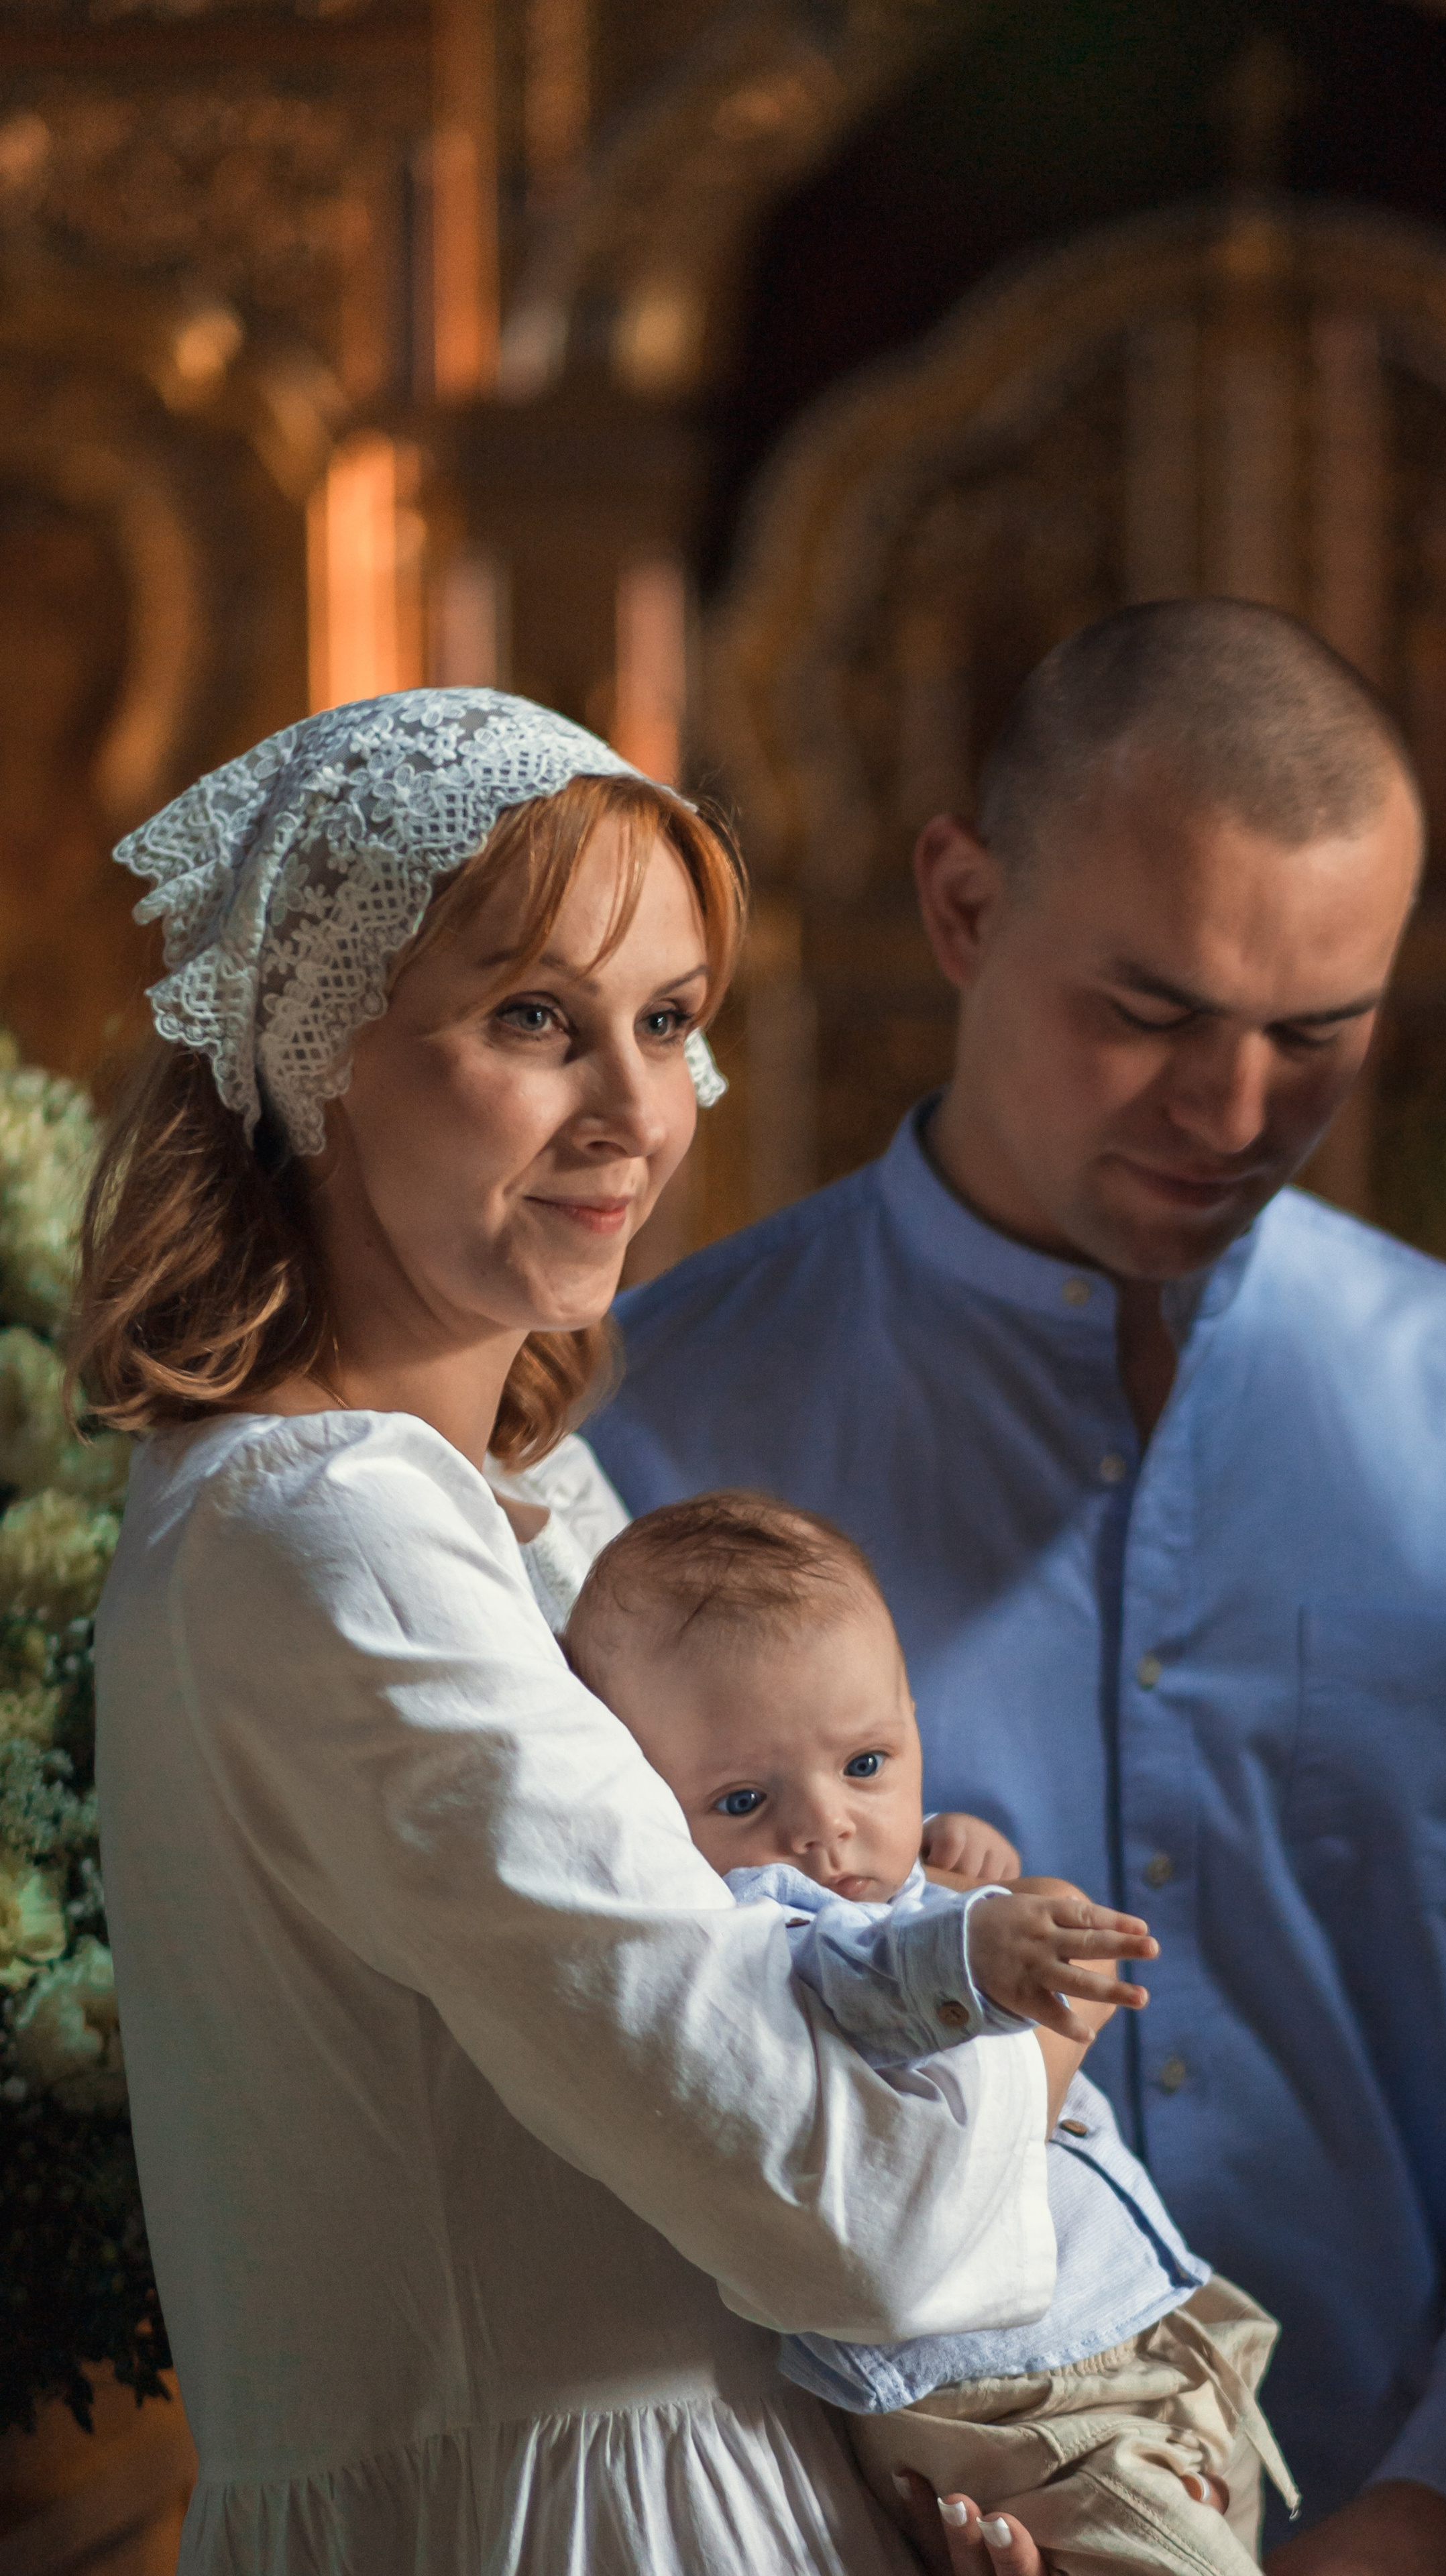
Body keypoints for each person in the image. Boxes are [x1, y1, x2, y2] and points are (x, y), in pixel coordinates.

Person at [586, 600, 1446, 2576]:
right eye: (1150, 1012)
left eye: (1317, 1034)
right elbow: (585, 2053)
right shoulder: (646, 1414)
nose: (1233, 1113)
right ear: (960, 900)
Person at [78, 688, 1060, 2576]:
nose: (641, 1109)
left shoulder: (529, 1511)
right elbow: (834, 2200)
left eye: (673, 1022)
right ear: (321, 1042)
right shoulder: (332, 1541)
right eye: (537, 1018)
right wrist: (1032, 2022)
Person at [562, 1485, 1300, 2576]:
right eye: (741, 1802)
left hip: (1137, 2333)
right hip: (1026, 2405)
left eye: (867, 1765)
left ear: (913, 1726)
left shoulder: (881, 1879)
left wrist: (951, 1864)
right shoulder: (751, 1930)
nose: (825, 1827)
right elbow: (859, 1982)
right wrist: (970, 1944)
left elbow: (898, 1915)